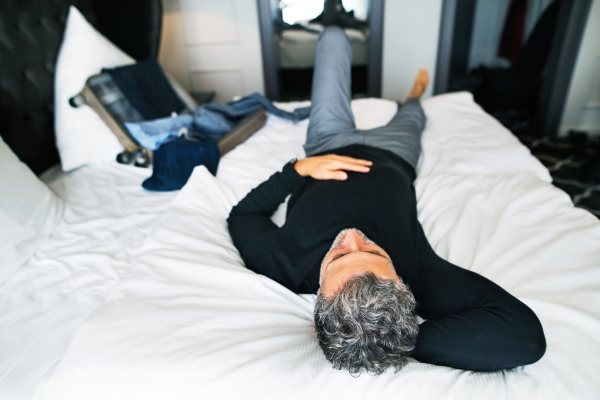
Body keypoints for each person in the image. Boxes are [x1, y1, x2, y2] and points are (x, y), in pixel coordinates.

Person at [227, 27, 546, 376]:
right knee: (413, 113)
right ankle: (414, 95)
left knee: (332, 36)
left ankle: (409, 95)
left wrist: (299, 169)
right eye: (374, 252)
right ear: (400, 283)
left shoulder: (281, 265)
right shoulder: (421, 275)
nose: (352, 236)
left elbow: (243, 214)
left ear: (319, 296)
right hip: (395, 152)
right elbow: (525, 338)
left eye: (337, 256)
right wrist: (393, 341)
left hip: (326, 143)